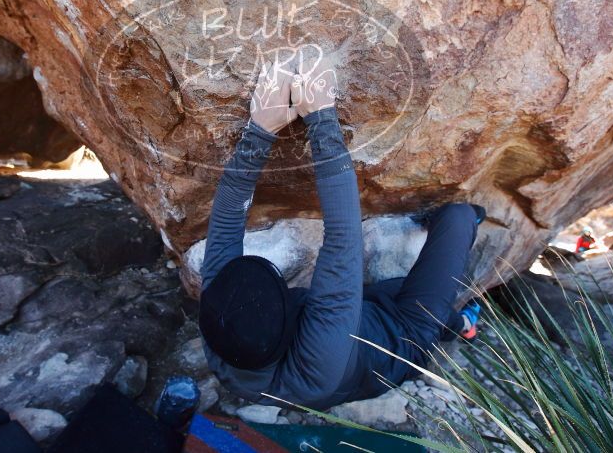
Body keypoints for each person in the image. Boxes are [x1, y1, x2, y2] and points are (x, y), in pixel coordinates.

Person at [198, 53, 485, 410]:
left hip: (361, 317)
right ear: (291, 321)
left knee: (400, 289)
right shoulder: (321, 353)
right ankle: (464, 314)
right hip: (403, 336)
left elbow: (225, 225)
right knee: (457, 218)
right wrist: (321, 116)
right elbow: (342, 236)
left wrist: (260, 131)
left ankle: (458, 321)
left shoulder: (221, 324)